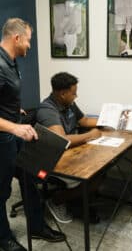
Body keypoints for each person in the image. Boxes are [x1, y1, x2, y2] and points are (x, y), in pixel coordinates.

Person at [0, 18, 65, 251]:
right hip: (4, 139)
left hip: (12, 137)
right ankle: (3, 238)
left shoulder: (11, 62)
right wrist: (15, 127)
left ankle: (37, 227)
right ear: (16, 38)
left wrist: (10, 108)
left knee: (30, 178)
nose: (29, 45)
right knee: (2, 191)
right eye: (28, 40)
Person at [36, 72, 102, 223]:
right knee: (92, 177)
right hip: (53, 160)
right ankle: (57, 200)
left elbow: (84, 120)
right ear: (63, 93)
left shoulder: (68, 103)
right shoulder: (47, 110)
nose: (76, 96)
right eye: (74, 93)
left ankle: (76, 199)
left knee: (101, 170)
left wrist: (109, 120)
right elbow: (61, 140)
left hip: (72, 153)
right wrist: (90, 135)